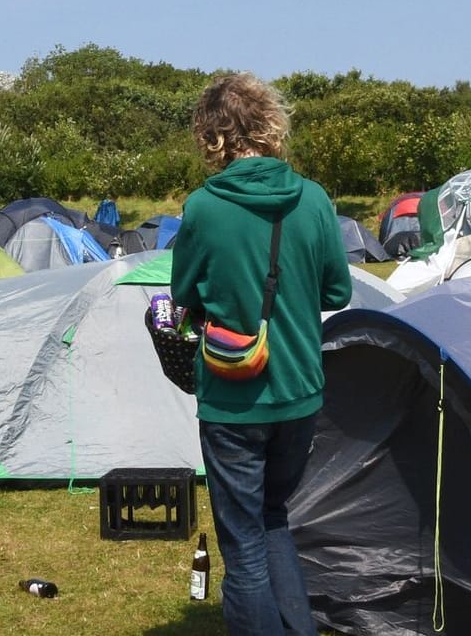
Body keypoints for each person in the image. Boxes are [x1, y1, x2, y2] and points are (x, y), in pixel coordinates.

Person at [171, 73, 352, 636]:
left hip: (233, 398)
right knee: (275, 519)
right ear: (271, 124)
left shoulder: (203, 208)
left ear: (211, 135)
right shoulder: (315, 199)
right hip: (299, 390)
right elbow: (337, 292)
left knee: (244, 543)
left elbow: (183, 298)